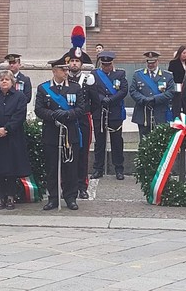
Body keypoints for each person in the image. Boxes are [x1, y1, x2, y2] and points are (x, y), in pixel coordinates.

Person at [35, 54, 85, 210]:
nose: (66, 72)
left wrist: (68, 114)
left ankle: (70, 197)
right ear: (54, 71)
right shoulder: (44, 89)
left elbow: (81, 108)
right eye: (63, 70)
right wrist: (52, 115)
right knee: (52, 167)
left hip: (70, 132)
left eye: (67, 69)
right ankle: (53, 198)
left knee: (70, 166)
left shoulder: (75, 87)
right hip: (51, 132)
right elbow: (39, 109)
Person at [0, 70, 31, 210]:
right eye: (1, 79)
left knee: (11, 168)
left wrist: (7, 129)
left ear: (12, 82)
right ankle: (0, 197)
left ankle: (10, 197)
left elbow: (20, 114)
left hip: (13, 137)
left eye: (7, 79)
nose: (4, 81)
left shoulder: (19, 97)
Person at [66, 26, 100, 199]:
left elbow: (96, 102)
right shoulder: (64, 80)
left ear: (81, 64)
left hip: (84, 120)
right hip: (67, 120)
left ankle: (82, 185)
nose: (74, 64)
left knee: (83, 153)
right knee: (68, 152)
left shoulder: (88, 79)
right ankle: (69, 184)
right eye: (72, 61)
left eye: (77, 62)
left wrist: (85, 113)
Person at [90, 51, 128, 180]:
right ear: (101, 63)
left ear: (112, 63)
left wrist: (111, 100)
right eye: (104, 64)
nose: (107, 67)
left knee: (117, 141)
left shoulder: (120, 73)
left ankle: (119, 169)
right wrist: (101, 99)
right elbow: (92, 90)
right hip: (99, 111)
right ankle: (98, 169)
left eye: (109, 64)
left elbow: (123, 90)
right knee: (99, 142)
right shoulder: (94, 74)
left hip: (115, 111)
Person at [130, 51, 174, 141]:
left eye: (153, 63)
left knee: (160, 142)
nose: (151, 65)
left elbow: (170, 92)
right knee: (144, 142)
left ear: (157, 61)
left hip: (160, 113)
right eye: (148, 63)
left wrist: (154, 99)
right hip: (144, 114)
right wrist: (143, 99)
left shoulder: (167, 76)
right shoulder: (138, 75)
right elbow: (133, 91)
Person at [168, 45, 186, 118]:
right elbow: (170, 76)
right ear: (180, 53)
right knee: (177, 106)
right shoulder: (173, 63)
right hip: (177, 87)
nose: (185, 55)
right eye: (184, 53)